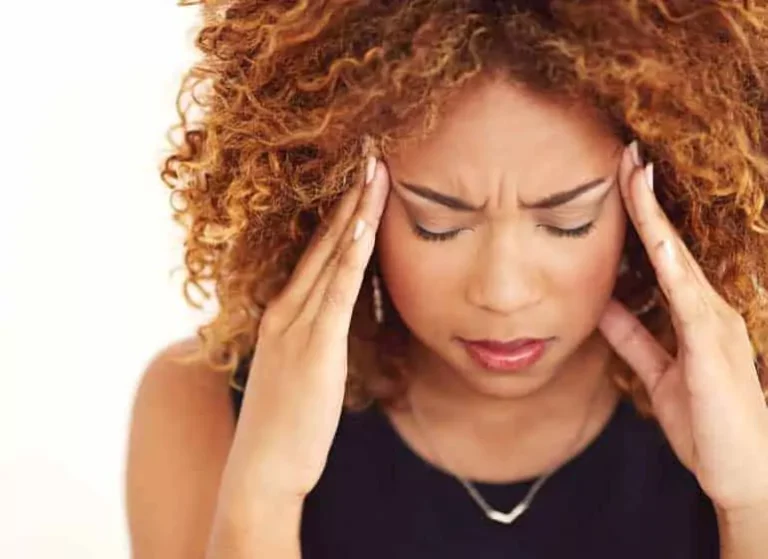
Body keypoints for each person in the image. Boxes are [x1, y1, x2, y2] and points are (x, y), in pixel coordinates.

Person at [126, 1, 768, 557]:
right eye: (438, 224)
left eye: (567, 221)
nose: (503, 293)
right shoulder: (201, 407)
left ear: (661, 195)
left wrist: (751, 502)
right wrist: (263, 492)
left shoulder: (748, 407)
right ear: (335, 196)